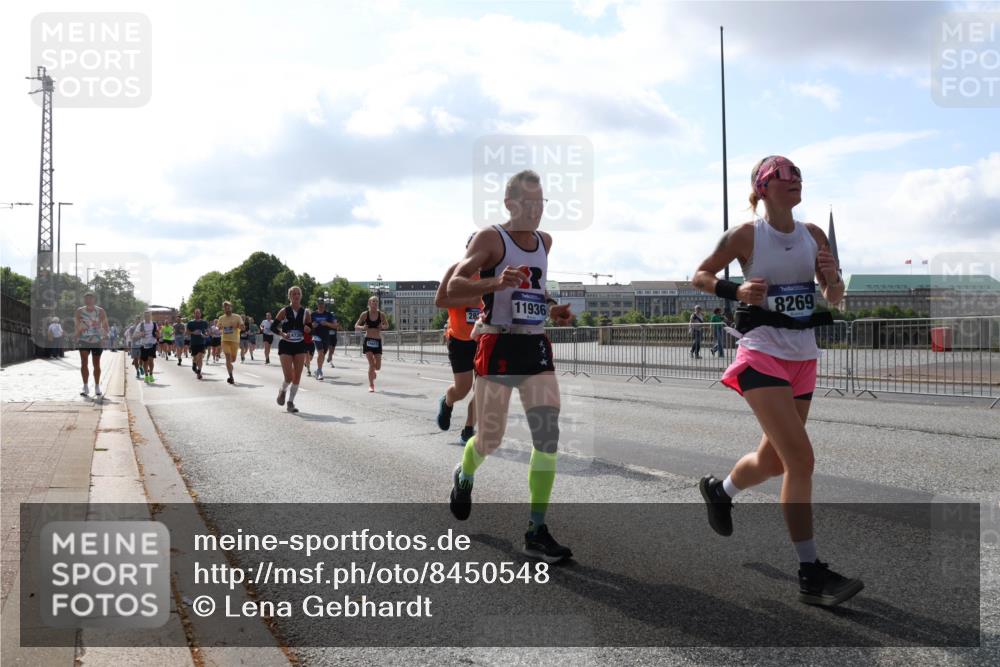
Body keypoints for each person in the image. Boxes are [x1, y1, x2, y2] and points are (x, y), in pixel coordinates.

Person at [693, 155, 860, 607]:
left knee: (774, 462)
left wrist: (832, 282)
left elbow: (834, 295)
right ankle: (810, 573)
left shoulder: (813, 236)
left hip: (803, 356)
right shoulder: (747, 235)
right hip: (761, 353)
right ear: (763, 187)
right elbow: (700, 275)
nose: (794, 180)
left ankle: (720, 490)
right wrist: (736, 290)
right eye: (783, 175)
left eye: (798, 175)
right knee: (801, 461)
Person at [446, 170, 575, 563]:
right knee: (490, 439)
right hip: (497, 342)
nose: (536, 211)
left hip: (534, 344)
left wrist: (552, 308)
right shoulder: (490, 239)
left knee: (547, 436)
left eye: (541, 203)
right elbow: (451, 289)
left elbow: (533, 288)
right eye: (528, 203)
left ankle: (536, 530)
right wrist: (494, 284)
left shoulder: (544, 242)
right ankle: (465, 473)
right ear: (510, 204)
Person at [435, 234, 483, 444]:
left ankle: (468, 428)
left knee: (484, 388)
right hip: (460, 338)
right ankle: (448, 402)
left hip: (484, 337)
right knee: (462, 389)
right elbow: (440, 300)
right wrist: (469, 299)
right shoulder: (455, 271)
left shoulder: (493, 274)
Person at [272, 286, 312, 413]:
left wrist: (308, 329)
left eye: (298, 294)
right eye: (293, 294)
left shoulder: (306, 312)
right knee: (289, 376)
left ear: (301, 296)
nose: (296, 296)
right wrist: (282, 334)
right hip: (286, 345)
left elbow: (311, 330)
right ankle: (283, 390)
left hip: (299, 344)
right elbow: (273, 327)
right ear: (290, 296)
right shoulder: (284, 311)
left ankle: (290, 402)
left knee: (297, 376)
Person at [75, 292, 110, 397]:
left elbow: (106, 325)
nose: (88, 300)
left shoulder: (100, 311)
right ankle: (85, 387)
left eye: (90, 298)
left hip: (96, 340)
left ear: (94, 300)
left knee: (96, 364)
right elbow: (77, 325)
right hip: (83, 340)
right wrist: (76, 335)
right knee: (84, 362)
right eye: (86, 298)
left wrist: (104, 335)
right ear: (84, 300)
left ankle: (97, 386)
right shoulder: (80, 311)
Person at [355, 296, 386, 392]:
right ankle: (371, 385)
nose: (375, 303)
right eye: (373, 301)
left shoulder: (381, 315)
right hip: (368, 341)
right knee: (371, 364)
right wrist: (363, 327)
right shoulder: (365, 314)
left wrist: (382, 326)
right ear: (369, 303)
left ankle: (373, 372)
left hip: (377, 341)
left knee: (378, 367)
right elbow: (356, 325)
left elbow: (387, 325)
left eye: (377, 301)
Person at [310, 299, 338, 380]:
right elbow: (307, 325)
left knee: (322, 355)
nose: (321, 305)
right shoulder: (313, 314)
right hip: (316, 336)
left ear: (324, 305)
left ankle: (318, 370)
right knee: (321, 352)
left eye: (322, 304)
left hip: (326, 336)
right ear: (317, 305)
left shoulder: (328, 315)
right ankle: (320, 371)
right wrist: (312, 325)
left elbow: (335, 325)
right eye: (319, 304)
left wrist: (327, 323)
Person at [217, 302, 244, 384]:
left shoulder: (237, 317)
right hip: (225, 340)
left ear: (231, 308)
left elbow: (243, 327)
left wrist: (237, 326)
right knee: (228, 358)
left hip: (235, 341)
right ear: (223, 309)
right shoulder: (221, 318)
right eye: (225, 308)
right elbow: (218, 327)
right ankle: (231, 376)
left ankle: (230, 367)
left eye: (228, 307)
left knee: (233, 360)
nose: (227, 309)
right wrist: (221, 327)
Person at [186, 308, 209, 380]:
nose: (197, 314)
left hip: (201, 342)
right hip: (193, 342)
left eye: (198, 313)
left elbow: (207, 332)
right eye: (196, 313)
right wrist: (193, 332)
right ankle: (194, 365)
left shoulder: (204, 322)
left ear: (200, 314)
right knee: (195, 358)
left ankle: (199, 372)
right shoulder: (190, 323)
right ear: (194, 314)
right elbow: (187, 332)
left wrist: (205, 335)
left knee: (200, 357)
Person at [136, 310, 159, 383]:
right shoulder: (141, 324)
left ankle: (151, 374)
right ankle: (146, 375)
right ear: (144, 316)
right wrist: (140, 334)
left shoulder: (154, 324)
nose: (147, 317)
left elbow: (158, 334)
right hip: (143, 344)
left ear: (150, 316)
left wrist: (158, 335)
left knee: (151, 360)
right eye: (145, 316)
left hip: (152, 344)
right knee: (145, 361)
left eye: (148, 315)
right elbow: (135, 335)